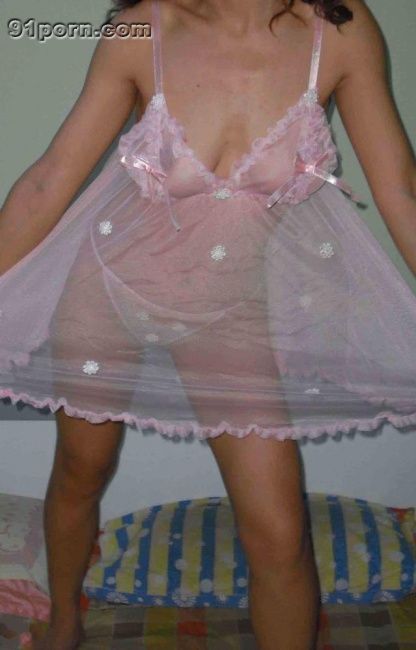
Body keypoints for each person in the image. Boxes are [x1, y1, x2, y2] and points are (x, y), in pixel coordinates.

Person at [0, 0, 415, 648]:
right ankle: (64, 625)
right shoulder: (144, 27)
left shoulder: (338, 32)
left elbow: (402, 192)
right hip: (107, 290)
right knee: (82, 469)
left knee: (280, 533)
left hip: (226, 316)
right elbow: (47, 182)